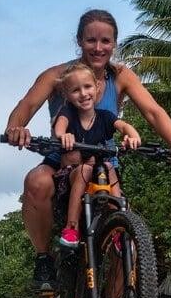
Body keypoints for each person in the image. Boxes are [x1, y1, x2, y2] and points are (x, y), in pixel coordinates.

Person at [4, 9, 171, 298]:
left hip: (104, 168)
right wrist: (17, 128)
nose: (98, 47)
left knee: (126, 239)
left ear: (114, 43)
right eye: (91, 40)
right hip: (63, 163)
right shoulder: (58, 77)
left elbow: (153, 112)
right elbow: (25, 107)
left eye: (106, 41)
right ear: (79, 41)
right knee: (36, 182)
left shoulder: (121, 77)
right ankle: (44, 258)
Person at [51, 62, 141, 249]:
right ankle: (71, 227)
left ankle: (120, 219)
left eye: (87, 87)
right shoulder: (68, 113)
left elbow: (123, 126)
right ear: (67, 95)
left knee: (108, 167)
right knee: (85, 169)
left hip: (98, 171)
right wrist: (63, 136)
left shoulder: (105, 116)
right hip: (73, 174)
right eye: (76, 90)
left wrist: (132, 136)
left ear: (97, 87)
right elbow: (60, 127)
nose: (83, 94)